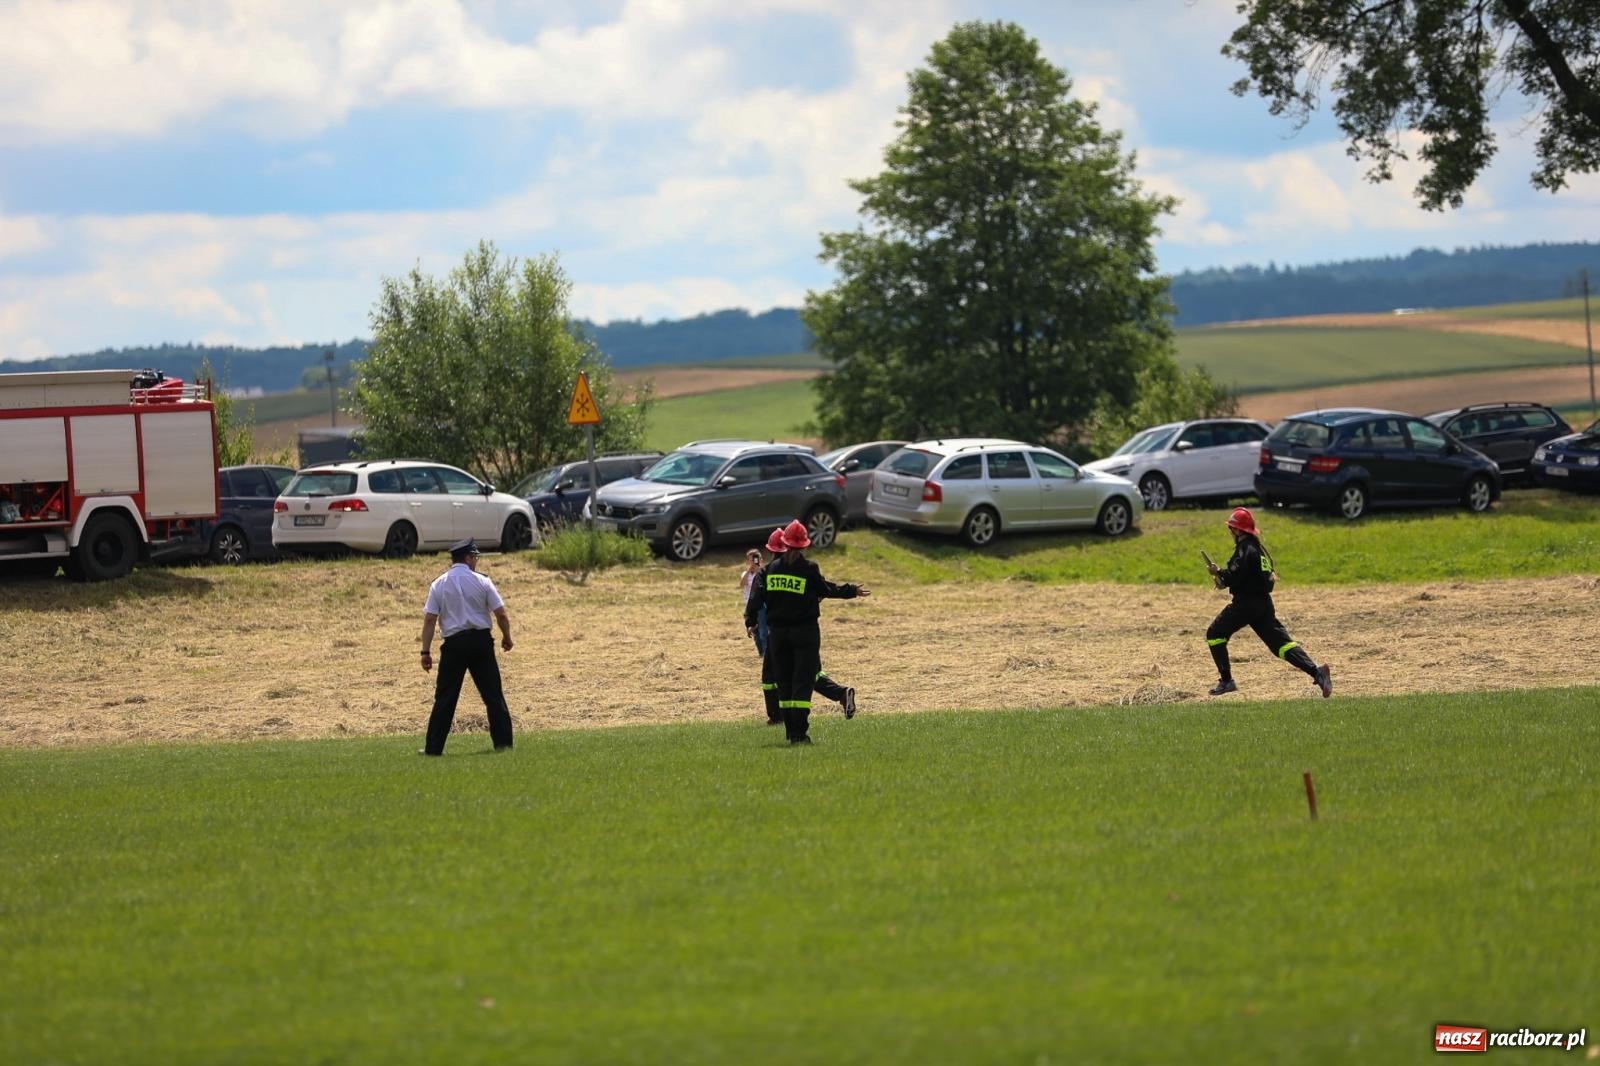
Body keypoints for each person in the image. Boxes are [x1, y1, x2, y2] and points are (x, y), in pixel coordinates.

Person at [745, 519, 870, 744]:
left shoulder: (770, 570)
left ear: (784, 544)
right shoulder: (809, 569)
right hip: (805, 633)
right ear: (804, 545)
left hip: (778, 635)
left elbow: (755, 599)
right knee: (803, 682)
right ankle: (800, 735)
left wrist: (750, 621)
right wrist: (851, 591)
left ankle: (791, 733)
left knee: (784, 683)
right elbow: (825, 589)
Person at [1204, 507, 1332, 699]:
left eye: (1232, 528)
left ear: (1238, 530)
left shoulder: (1245, 549)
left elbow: (1233, 576)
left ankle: (1226, 680)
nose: (1231, 532)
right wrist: (1226, 578)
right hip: (1263, 604)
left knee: (1215, 633)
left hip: (1246, 604)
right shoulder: (1259, 551)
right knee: (1281, 645)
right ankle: (1317, 672)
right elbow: (1263, 579)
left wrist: (1218, 573)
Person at [417, 538, 516, 755]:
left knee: (445, 698)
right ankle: (504, 744)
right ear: (468, 558)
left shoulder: (438, 584)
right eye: (475, 557)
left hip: (454, 644)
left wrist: (425, 651)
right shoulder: (483, 582)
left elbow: (429, 620)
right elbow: (501, 613)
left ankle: (434, 749)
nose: (477, 562)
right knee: (493, 695)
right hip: (481, 642)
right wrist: (507, 637)